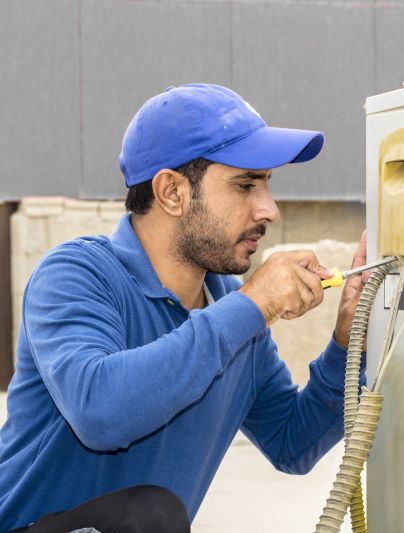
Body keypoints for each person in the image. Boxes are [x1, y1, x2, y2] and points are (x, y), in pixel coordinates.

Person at [0, 84, 368, 532]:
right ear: (171, 192)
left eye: (267, 184)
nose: (268, 209)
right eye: (245, 184)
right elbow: (99, 412)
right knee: (148, 514)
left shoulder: (231, 308)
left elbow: (292, 443)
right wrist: (254, 305)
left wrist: (349, 344)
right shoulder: (76, 274)